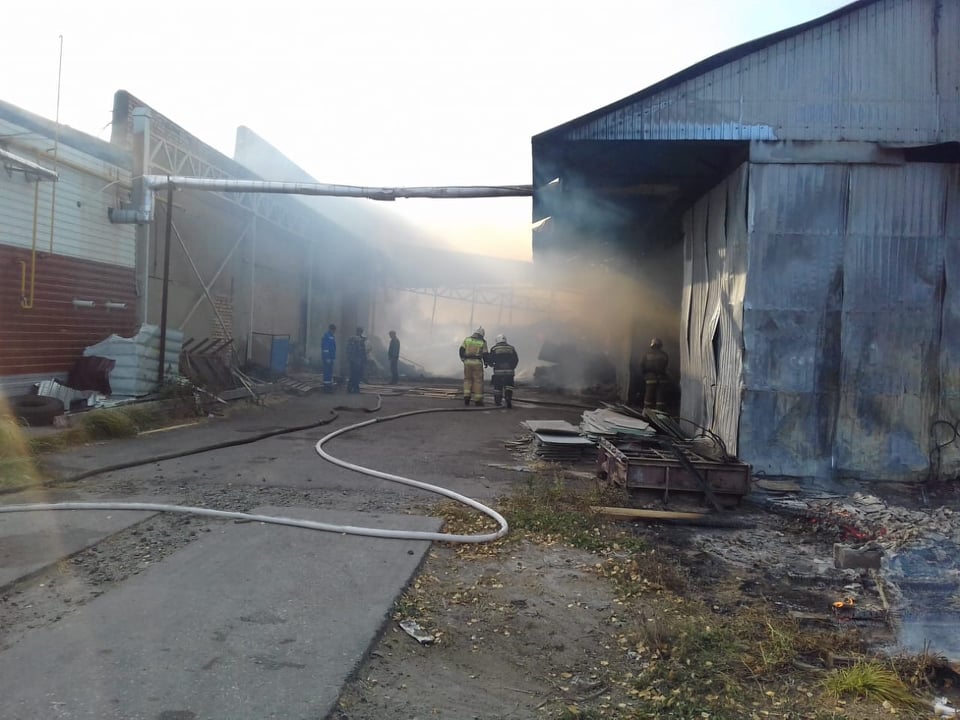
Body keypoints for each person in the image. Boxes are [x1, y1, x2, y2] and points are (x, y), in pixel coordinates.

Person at [487, 334, 519, 408]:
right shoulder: (511, 348)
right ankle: (508, 398)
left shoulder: (494, 349)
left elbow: (490, 360)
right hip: (509, 371)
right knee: (509, 386)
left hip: (498, 372)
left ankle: (498, 402)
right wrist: (512, 367)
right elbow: (516, 359)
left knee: (498, 387)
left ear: (497, 340)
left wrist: (493, 365)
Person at [459, 326, 488, 406]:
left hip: (467, 362)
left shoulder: (467, 339)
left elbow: (461, 349)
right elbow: (485, 354)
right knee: (478, 381)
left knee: (467, 379)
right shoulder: (483, 342)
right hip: (477, 363)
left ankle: (466, 397)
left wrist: (463, 359)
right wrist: (486, 363)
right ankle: (478, 400)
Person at [641, 337, 669, 411]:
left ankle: (646, 412)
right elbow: (666, 365)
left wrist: (645, 375)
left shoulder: (646, 354)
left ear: (652, 345)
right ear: (660, 345)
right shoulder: (664, 355)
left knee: (649, 396)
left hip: (650, 378)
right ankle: (659, 413)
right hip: (662, 378)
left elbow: (642, 366)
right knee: (660, 397)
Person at [346, 327, 366, 394]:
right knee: (356, 375)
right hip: (357, 360)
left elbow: (348, 349)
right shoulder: (359, 340)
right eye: (360, 332)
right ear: (360, 332)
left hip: (352, 359)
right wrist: (363, 358)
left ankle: (350, 388)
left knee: (352, 374)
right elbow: (361, 351)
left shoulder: (351, 339)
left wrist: (349, 358)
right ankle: (355, 388)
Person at [321, 324, 336, 393]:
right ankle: (326, 388)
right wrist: (327, 358)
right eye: (333, 330)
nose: (334, 332)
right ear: (331, 329)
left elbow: (333, 347)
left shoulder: (331, 336)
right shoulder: (327, 336)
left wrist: (332, 357)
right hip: (327, 358)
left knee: (329, 372)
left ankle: (329, 386)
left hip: (331, 357)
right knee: (327, 372)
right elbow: (325, 348)